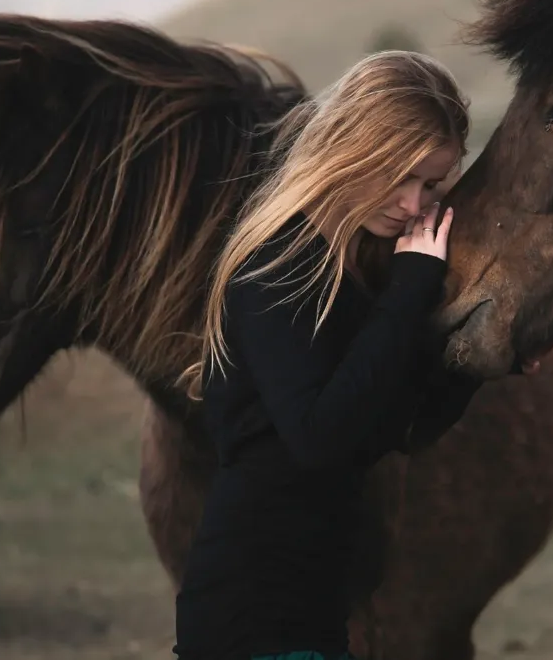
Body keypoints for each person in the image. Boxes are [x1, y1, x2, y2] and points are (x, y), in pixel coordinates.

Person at [172, 50, 483, 660]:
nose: (414, 205)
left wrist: (481, 358)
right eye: (401, 174)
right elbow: (321, 437)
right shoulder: (278, 264)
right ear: (352, 148)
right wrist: (411, 286)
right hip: (249, 613)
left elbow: (396, 426)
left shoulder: (352, 271)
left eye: (430, 184)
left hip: (313, 606)